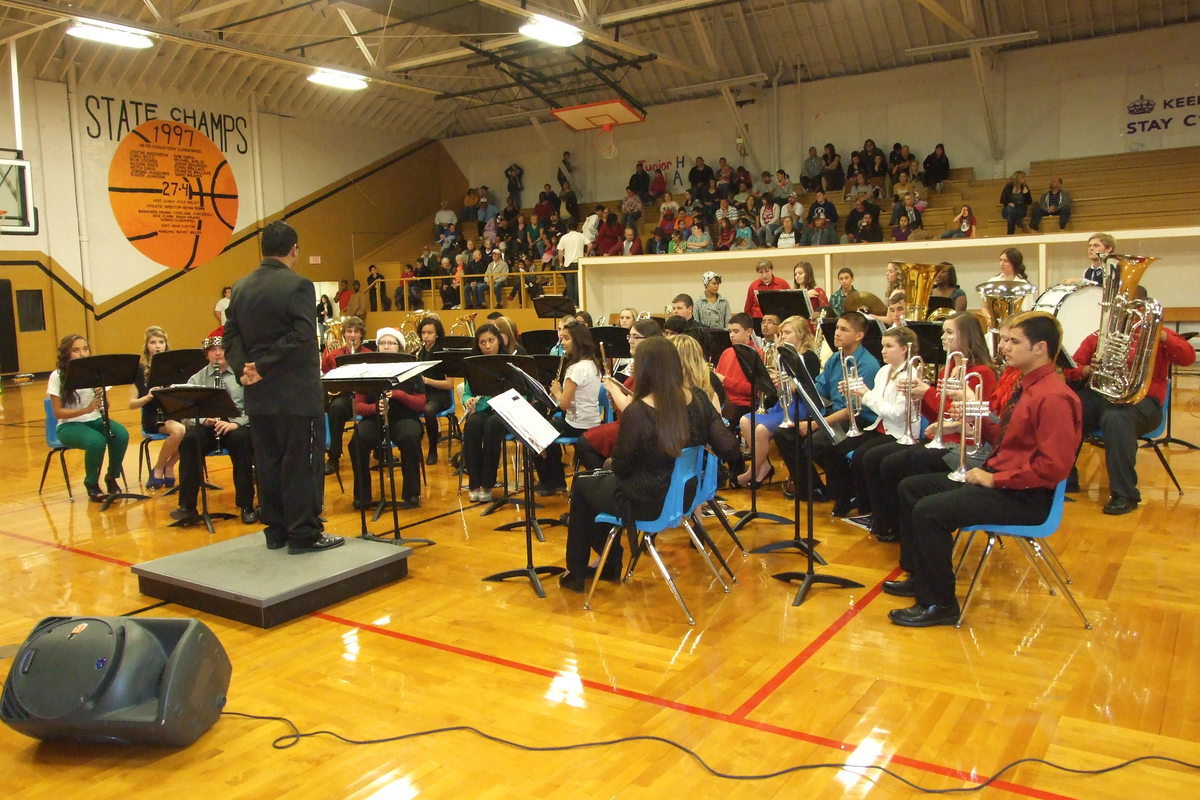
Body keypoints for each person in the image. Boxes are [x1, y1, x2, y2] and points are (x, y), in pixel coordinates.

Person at [884, 312, 1082, 627]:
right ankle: (922, 577)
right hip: (1005, 483)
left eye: (1013, 341)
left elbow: (1054, 468)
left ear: (1040, 348)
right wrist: (975, 417)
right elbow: (1006, 438)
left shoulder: (1054, 397)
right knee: (912, 488)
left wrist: (994, 479)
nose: (1003, 347)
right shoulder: (1025, 385)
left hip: (1025, 497)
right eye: (1003, 339)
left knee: (929, 511)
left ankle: (939, 604)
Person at [559, 337, 739, 592]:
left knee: (583, 486)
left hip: (651, 501)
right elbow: (729, 447)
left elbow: (621, 466)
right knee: (597, 485)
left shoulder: (639, 411)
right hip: (686, 496)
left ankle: (577, 570)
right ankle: (607, 561)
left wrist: (613, 465)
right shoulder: (698, 397)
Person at [223, 220, 342, 554]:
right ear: (294, 248)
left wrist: (243, 368)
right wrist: (261, 366)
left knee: (268, 460)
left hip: (258, 395)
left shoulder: (242, 286)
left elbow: (230, 335)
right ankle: (304, 533)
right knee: (301, 462)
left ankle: (276, 530)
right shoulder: (299, 285)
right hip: (294, 394)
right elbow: (303, 335)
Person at [859, 312, 998, 541]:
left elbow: (959, 414)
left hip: (964, 444)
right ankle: (893, 522)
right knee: (886, 462)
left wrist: (927, 392)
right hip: (943, 438)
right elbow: (937, 414)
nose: (942, 337)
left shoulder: (981, 372)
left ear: (966, 337)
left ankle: (902, 526)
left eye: (949, 332)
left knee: (894, 464)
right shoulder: (947, 369)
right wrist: (918, 398)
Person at [1064, 286, 1195, 514]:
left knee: (1117, 417)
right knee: (1068, 407)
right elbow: (1071, 368)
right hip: (1103, 397)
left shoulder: (1158, 336)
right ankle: (1065, 481)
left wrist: (1160, 334)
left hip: (1143, 403)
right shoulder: (1100, 336)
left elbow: (1187, 357)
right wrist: (1087, 370)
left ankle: (1125, 494)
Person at [773, 312, 881, 502]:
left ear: (859, 336)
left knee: (816, 442)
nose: (837, 333)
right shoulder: (835, 359)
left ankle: (845, 487)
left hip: (857, 420)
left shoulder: (868, 364)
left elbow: (853, 409)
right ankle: (812, 488)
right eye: (837, 328)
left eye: (844, 329)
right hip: (832, 415)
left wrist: (815, 424)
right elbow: (819, 391)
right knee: (785, 434)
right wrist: (795, 386)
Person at [172, 332, 257, 526]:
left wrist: (236, 423)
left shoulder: (241, 374)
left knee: (242, 441)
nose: (217, 353)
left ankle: (246, 505)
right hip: (209, 426)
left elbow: (255, 406)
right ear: (206, 354)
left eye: (221, 349)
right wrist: (203, 420)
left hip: (235, 424)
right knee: (190, 441)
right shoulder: (197, 378)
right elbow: (185, 412)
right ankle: (188, 507)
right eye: (212, 350)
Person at [838, 326, 922, 516]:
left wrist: (865, 394)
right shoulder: (884, 371)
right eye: (883, 346)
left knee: (867, 457)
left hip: (900, 433)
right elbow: (875, 401)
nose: (883, 350)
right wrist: (855, 392)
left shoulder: (910, 375)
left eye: (889, 346)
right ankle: (857, 499)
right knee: (840, 447)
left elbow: (896, 413)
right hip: (882, 427)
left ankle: (878, 510)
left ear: (904, 349)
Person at [734, 315, 822, 488]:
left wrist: (785, 382)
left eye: (787, 332)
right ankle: (764, 465)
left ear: (801, 334)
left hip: (800, 405)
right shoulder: (783, 355)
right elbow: (779, 388)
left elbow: (808, 387)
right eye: (781, 332)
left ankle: (752, 472)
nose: (782, 336)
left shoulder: (809, 357)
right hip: (782, 404)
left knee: (760, 430)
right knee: (745, 421)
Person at [348, 328, 425, 511]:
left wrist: (399, 395)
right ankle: (362, 496)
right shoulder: (367, 369)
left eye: (391, 343)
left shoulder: (412, 369)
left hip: (405, 416)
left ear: (399, 347)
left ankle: (411, 494)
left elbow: (421, 403)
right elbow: (358, 406)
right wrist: (376, 408)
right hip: (375, 418)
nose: (386, 346)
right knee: (357, 442)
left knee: (410, 437)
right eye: (383, 343)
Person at [47, 334, 130, 502]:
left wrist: (101, 396)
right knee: (96, 441)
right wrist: (85, 410)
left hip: (95, 419)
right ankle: (91, 483)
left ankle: (111, 477)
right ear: (67, 354)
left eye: (85, 349)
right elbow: (58, 413)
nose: (82, 353)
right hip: (69, 426)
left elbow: (106, 406)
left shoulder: (95, 372)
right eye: (76, 350)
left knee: (121, 434)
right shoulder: (57, 376)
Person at [535, 320, 604, 494]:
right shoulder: (594, 364)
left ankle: (552, 481)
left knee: (536, 431)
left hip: (576, 425)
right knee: (547, 429)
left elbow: (564, 405)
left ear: (578, 341)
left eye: (566, 339)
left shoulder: (575, 369)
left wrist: (557, 391)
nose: (562, 343)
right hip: (593, 422)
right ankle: (551, 469)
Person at [129, 325, 185, 489]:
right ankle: (159, 467)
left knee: (195, 430)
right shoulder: (139, 370)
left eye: (161, 342)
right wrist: (148, 397)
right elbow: (131, 404)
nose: (158, 346)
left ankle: (170, 465)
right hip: (154, 417)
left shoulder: (175, 368)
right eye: (153, 342)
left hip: (174, 413)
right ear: (147, 346)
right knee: (180, 430)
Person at [460, 324, 510, 503]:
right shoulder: (474, 365)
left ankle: (488, 484)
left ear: (498, 340)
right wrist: (467, 400)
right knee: (472, 424)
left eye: (491, 340)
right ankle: (474, 483)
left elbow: (522, 391)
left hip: (505, 411)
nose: (487, 346)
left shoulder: (509, 362)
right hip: (483, 408)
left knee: (492, 425)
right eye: (482, 342)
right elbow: (467, 391)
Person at [320, 315, 372, 475]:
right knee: (336, 409)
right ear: (344, 334)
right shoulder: (333, 355)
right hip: (344, 396)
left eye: (356, 332)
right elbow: (327, 380)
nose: (352, 335)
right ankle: (334, 456)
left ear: (361, 334)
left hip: (365, 395)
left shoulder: (369, 354)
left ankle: (380, 450)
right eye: (349, 331)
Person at [713, 313, 761, 427]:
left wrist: (725, 380)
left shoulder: (757, 354)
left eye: (736, 331)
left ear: (749, 332)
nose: (731, 335)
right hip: (723, 402)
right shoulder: (727, 352)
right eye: (729, 332)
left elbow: (754, 390)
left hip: (742, 404)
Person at [417, 316, 453, 465]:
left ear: (437, 334)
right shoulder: (420, 353)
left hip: (440, 395)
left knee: (429, 411)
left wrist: (426, 380)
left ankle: (433, 450)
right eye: (423, 332)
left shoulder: (444, 354)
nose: (426, 336)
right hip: (423, 393)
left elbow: (449, 384)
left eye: (430, 332)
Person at [999, 170, 1033, 235]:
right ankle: (1020, 223)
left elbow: (1029, 202)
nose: (1024, 179)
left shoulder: (1024, 187)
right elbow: (1002, 200)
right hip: (1008, 209)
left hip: (1020, 210)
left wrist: (1026, 194)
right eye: (1023, 177)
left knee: (1010, 217)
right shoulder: (1009, 186)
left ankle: (1010, 234)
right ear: (1018, 178)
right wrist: (1008, 203)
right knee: (1009, 209)